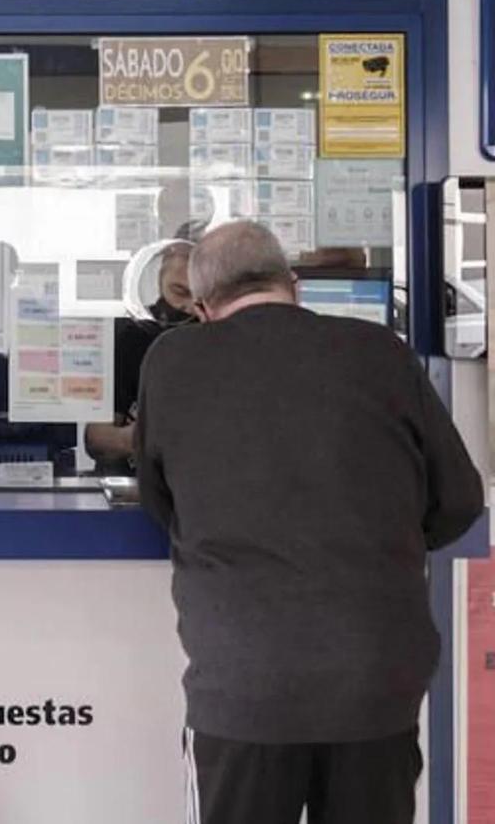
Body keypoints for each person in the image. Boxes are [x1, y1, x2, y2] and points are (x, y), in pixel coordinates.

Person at [134, 220, 483, 824]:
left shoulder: (173, 360)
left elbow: (160, 503)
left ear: (202, 306)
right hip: (374, 680)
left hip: (244, 684)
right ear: (292, 286)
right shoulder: (381, 352)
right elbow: (457, 501)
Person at [84, 241, 195, 473]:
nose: (189, 307)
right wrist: (139, 438)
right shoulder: (133, 337)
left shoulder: (223, 338)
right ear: (160, 276)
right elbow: (96, 438)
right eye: (179, 292)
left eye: (201, 297)